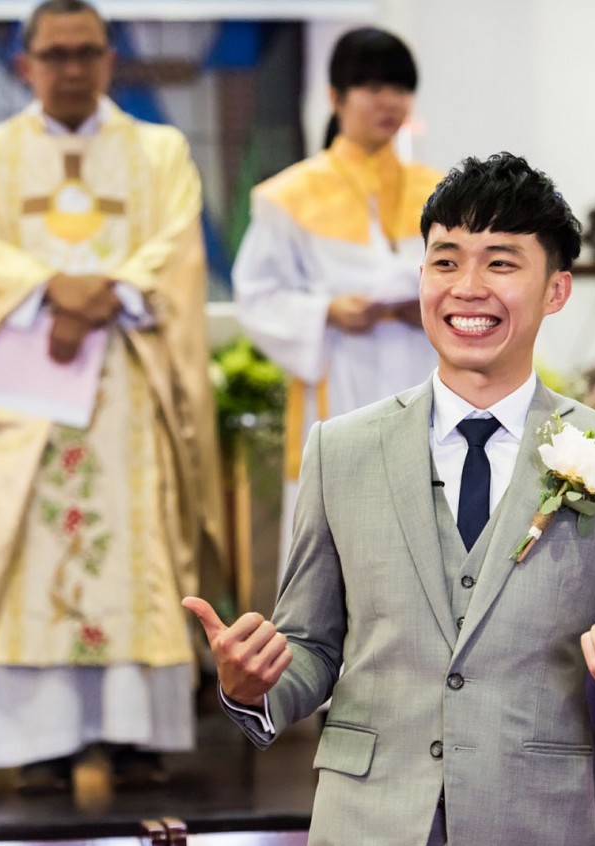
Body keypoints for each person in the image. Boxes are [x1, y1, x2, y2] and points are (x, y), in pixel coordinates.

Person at [185, 153, 595, 846]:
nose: (467, 288)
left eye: (500, 264)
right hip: (366, 826)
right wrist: (250, 687)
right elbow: (311, 646)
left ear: (556, 289)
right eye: (445, 262)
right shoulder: (340, 449)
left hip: (531, 825)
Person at [0, 0, 224, 792]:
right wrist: (52, 293)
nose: (71, 69)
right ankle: (43, 742)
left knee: (136, 543)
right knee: (29, 551)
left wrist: (107, 294)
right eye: (54, 55)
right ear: (24, 64)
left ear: (109, 60)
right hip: (25, 397)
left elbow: (176, 244)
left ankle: (136, 737)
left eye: (86, 52)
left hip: (130, 384)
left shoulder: (158, 151)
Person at [232, 27, 442, 581]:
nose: (389, 101)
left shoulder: (443, 193)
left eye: (400, 88)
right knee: (342, 532)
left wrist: (426, 303)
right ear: (335, 96)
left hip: (424, 373)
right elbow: (257, 294)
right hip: (341, 378)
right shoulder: (289, 196)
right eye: (372, 87)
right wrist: (327, 310)